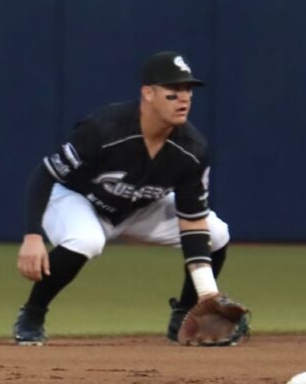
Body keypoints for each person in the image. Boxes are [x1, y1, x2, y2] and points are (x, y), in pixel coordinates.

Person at [12, 51, 235, 346]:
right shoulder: (105, 129)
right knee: (87, 240)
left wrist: (207, 293)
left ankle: (183, 316)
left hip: (138, 209)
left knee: (216, 232)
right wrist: (32, 236)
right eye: (173, 92)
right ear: (148, 93)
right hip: (78, 199)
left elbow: (192, 222)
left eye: (188, 91)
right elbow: (44, 174)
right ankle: (33, 314)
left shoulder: (192, 150)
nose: (184, 99)